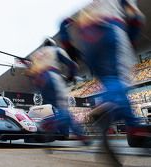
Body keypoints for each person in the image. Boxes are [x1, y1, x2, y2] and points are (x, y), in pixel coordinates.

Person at [59, 0, 146, 165]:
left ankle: (131, 124)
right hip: (110, 28)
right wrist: (130, 41)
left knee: (111, 82)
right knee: (120, 79)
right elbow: (136, 18)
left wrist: (69, 47)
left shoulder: (91, 6)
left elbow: (64, 23)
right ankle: (133, 126)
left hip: (87, 38)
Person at [25, 38, 89, 145]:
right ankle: (77, 133)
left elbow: (30, 74)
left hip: (41, 83)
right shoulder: (56, 50)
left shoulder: (36, 55)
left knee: (54, 109)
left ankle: (53, 126)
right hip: (52, 77)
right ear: (53, 44)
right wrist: (70, 77)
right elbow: (72, 65)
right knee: (63, 108)